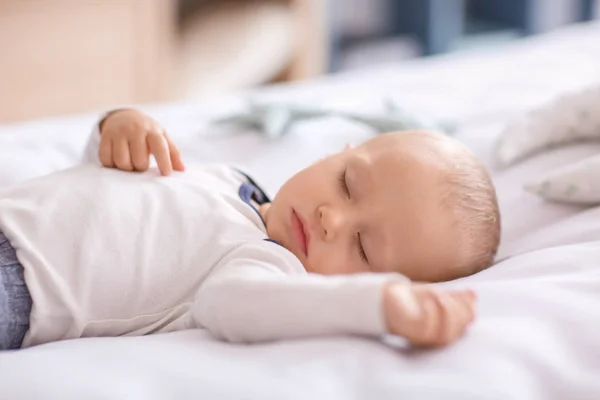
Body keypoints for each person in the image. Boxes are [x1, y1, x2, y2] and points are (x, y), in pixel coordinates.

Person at [0, 109, 500, 350]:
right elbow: (101, 180)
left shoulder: (265, 261)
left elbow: (233, 307)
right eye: (348, 184)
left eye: (363, 247)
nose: (333, 219)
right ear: (335, 155)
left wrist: (376, 304)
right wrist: (118, 129)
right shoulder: (231, 180)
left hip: (24, 283)